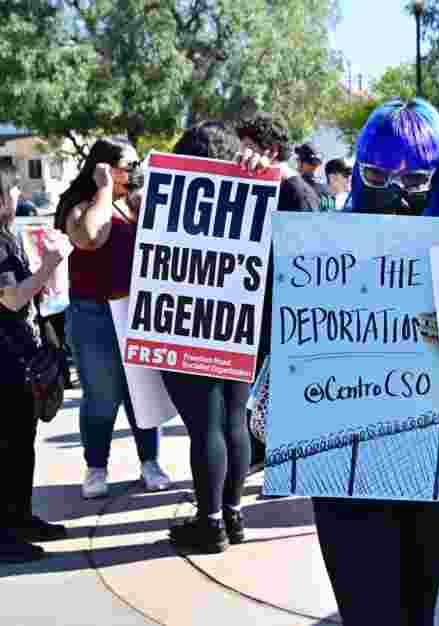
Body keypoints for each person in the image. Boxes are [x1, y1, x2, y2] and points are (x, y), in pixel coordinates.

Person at [311, 98, 439, 626]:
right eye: (378, 173)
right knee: (368, 612)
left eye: (417, 177)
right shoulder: (327, 229)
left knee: (416, 609)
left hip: (430, 450)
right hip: (346, 449)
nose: (395, 189)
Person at [55, 137, 170, 499]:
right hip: (94, 312)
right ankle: (96, 467)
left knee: (143, 391)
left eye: (137, 164)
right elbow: (90, 236)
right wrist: (104, 190)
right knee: (102, 394)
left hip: (136, 310)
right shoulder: (79, 205)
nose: (134, 171)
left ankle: (150, 462)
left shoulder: (136, 203)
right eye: (128, 165)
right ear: (103, 166)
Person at [157, 122, 253, 554]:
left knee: (206, 428)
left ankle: (210, 523)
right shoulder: (250, 196)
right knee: (234, 420)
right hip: (237, 322)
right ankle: (232, 515)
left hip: (189, 323)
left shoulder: (177, 204)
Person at [235, 114, 320, 473]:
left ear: (269, 151)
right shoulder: (266, 186)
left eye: (249, 148)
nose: (241, 155)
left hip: (283, 317)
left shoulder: (295, 192)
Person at [0, 172, 74, 562]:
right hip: (5, 362)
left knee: (20, 447)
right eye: (11, 190)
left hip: (17, 359)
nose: (17, 193)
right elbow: (11, 299)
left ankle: (20, 518)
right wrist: (49, 266)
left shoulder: (7, 235)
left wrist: (47, 272)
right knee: (8, 449)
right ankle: (5, 533)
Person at [295, 142, 334, 211]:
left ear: (303, 162)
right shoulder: (328, 191)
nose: (297, 161)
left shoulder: (293, 186)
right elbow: (329, 217)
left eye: (298, 159)